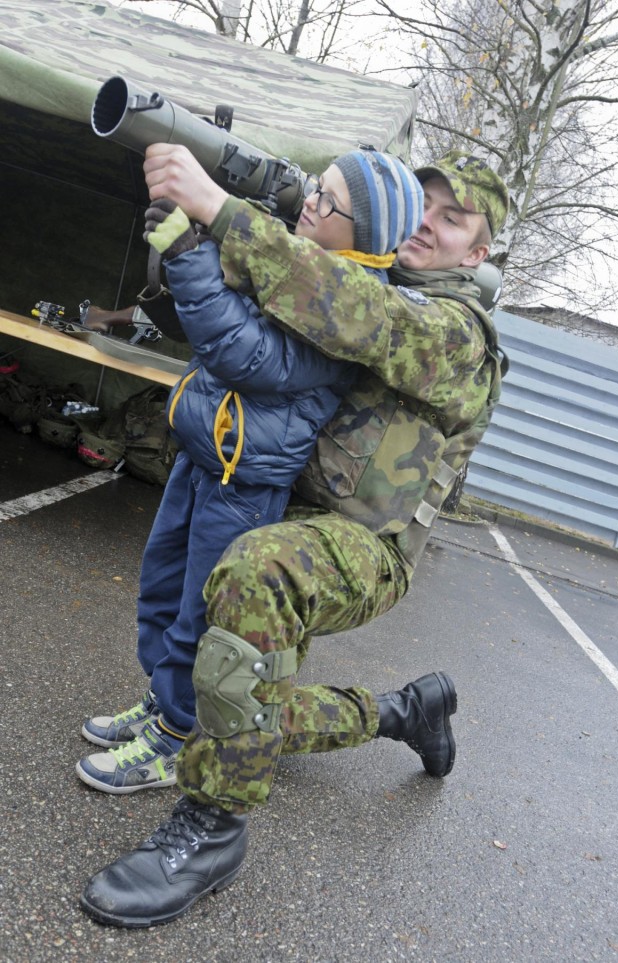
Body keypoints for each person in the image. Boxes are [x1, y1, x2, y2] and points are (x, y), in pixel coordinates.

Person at [80, 145, 510, 928]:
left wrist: (217, 206)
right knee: (239, 695)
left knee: (256, 576)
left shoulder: (457, 335)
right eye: (426, 206)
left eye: (455, 221)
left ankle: (212, 827)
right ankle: (401, 712)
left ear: (477, 254)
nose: (430, 226)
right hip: (283, 499)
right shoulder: (366, 271)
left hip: (361, 543)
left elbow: (361, 314)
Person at [76, 149, 425, 794]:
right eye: (314, 190)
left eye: (326, 201)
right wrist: (198, 244)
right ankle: (162, 705)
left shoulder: (348, 311)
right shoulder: (294, 268)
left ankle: (178, 736)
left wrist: (188, 256)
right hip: (205, 458)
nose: (308, 204)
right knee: (160, 590)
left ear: (367, 237)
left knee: (198, 618)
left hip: (245, 484)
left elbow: (250, 357)